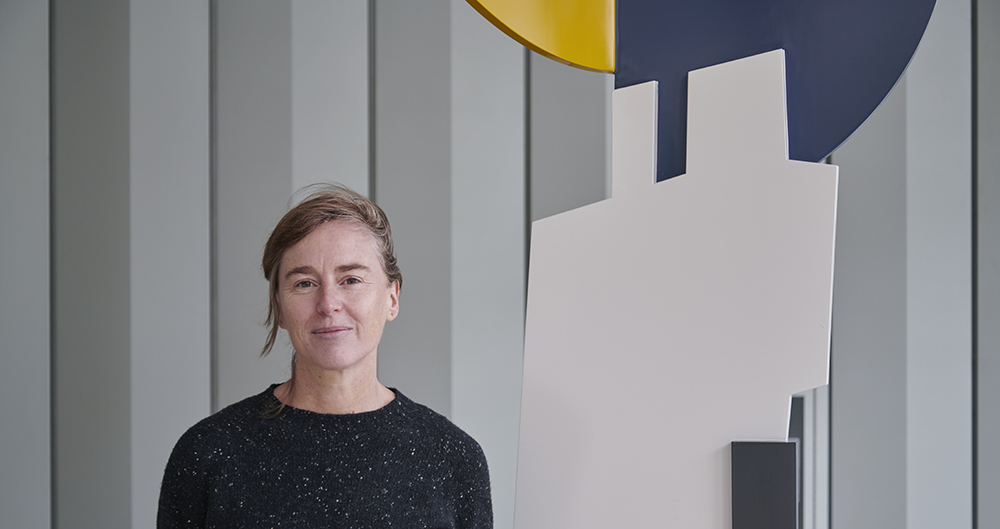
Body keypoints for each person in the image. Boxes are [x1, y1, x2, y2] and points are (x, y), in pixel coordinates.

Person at [157, 184, 493, 528]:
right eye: (304, 283)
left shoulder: (453, 457)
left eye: (351, 279)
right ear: (280, 308)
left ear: (392, 298)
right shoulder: (209, 453)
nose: (328, 304)